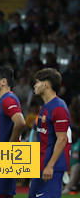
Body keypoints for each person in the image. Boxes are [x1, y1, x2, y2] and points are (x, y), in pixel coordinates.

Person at [29, 68, 72, 198]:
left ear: (46, 85)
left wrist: (50, 166)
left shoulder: (58, 107)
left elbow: (62, 139)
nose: (34, 85)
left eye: (37, 82)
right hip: (41, 163)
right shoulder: (46, 107)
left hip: (51, 167)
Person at [0, 66, 26, 197]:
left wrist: (10, 145)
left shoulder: (8, 99)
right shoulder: (4, 100)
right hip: (1, 155)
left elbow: (20, 122)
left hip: (5, 155)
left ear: (3, 81)